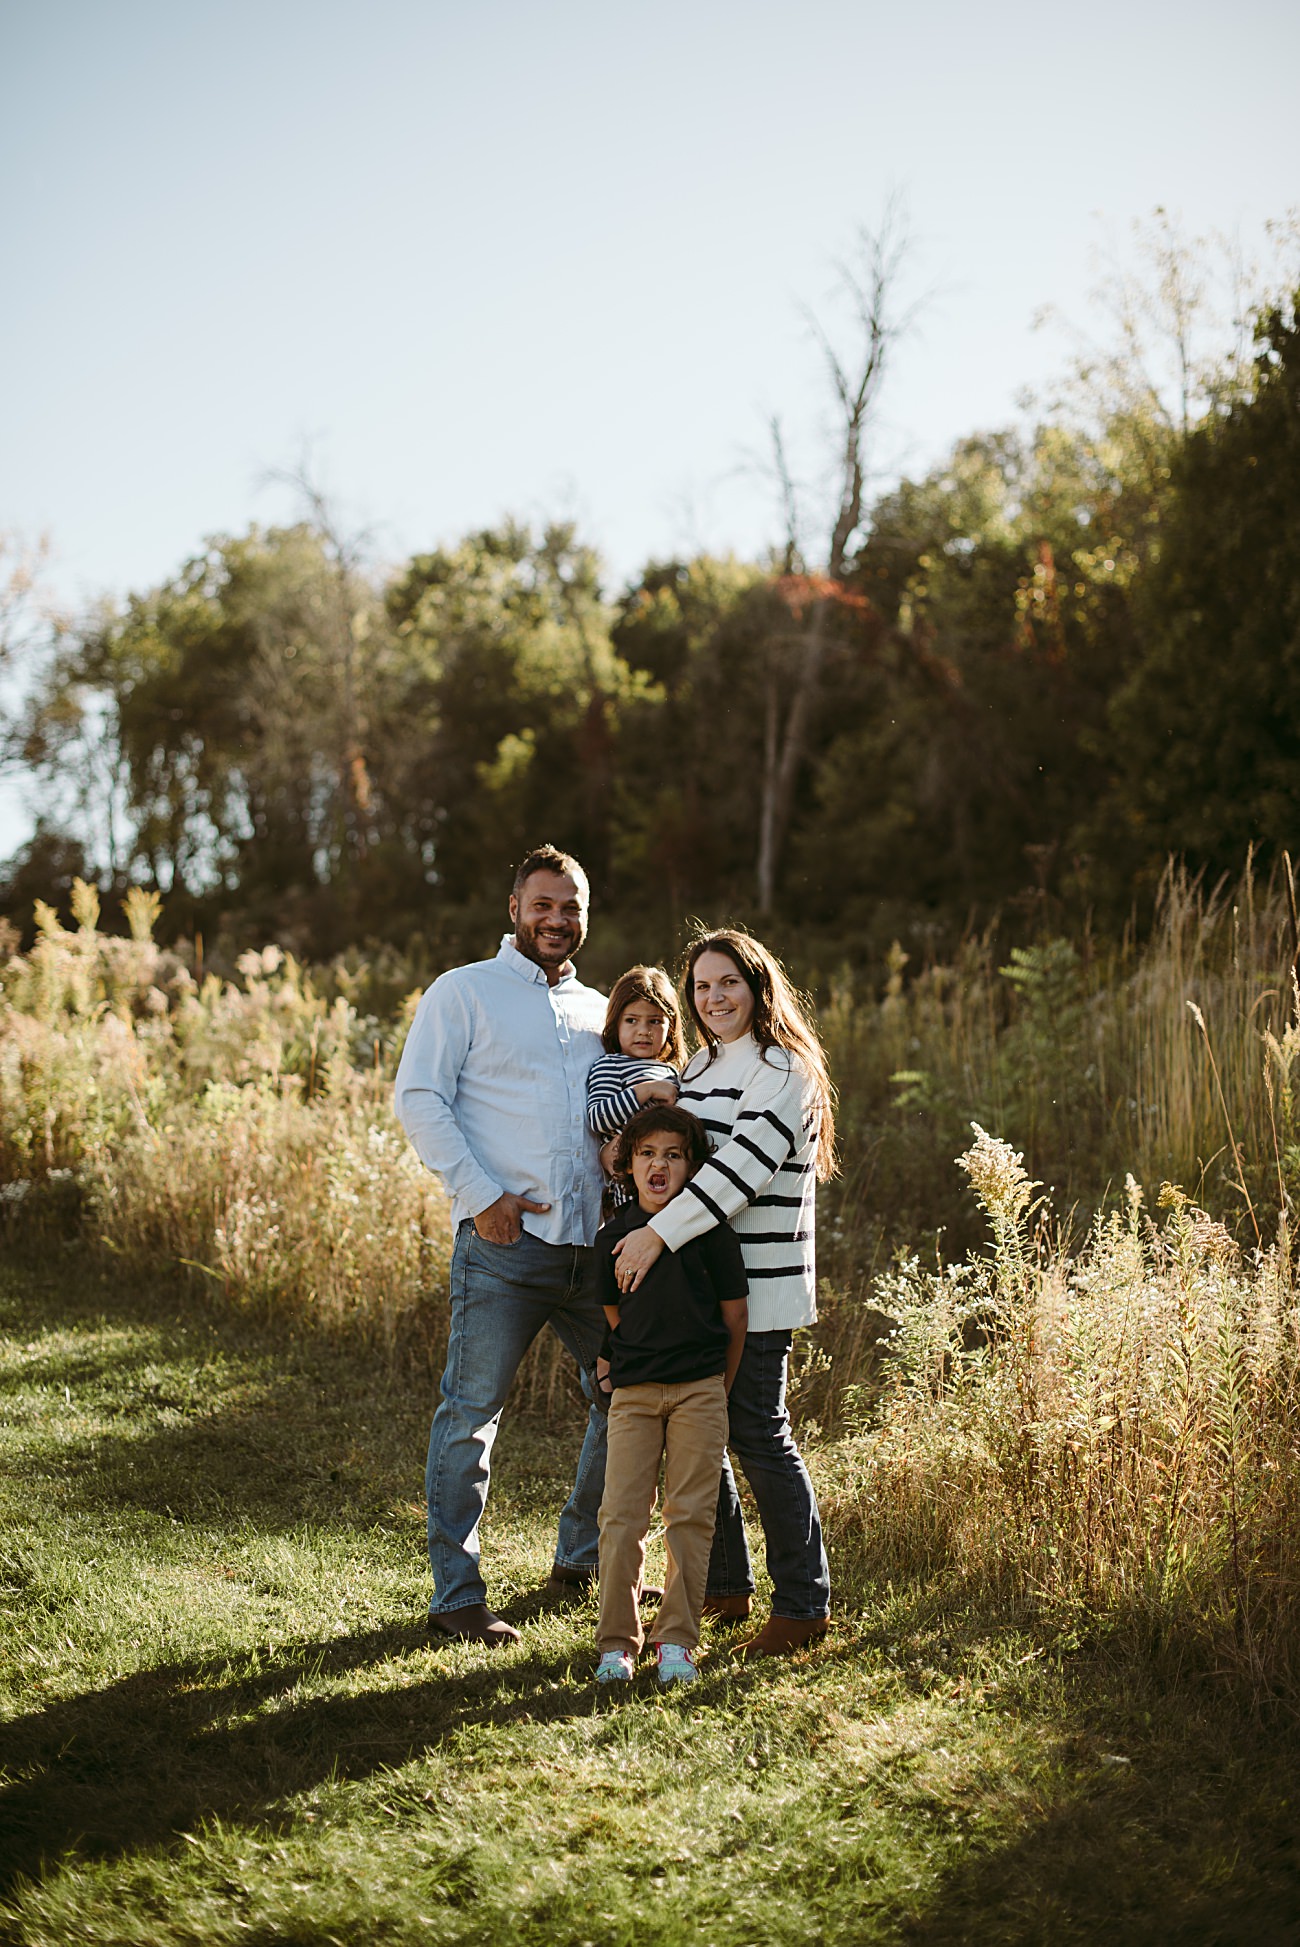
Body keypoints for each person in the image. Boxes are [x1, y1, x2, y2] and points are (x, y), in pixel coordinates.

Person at [394, 844, 610, 1647]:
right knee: (470, 1416)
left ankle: (582, 1559)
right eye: (543, 904)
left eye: (572, 906)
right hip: (505, 1247)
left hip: (595, 1253)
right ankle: (457, 1595)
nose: (557, 919)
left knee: (628, 1401)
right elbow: (419, 1096)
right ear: (514, 908)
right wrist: (482, 1198)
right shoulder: (464, 992)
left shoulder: (599, 1009)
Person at [610, 929, 835, 1658]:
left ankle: (803, 1604)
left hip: (761, 1291)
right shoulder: (700, 1066)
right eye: (702, 986)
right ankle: (726, 1585)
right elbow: (670, 1151)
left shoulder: (785, 1069)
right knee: (703, 1439)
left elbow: (741, 1169)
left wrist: (653, 1236)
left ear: (758, 984)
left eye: (728, 982)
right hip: (698, 1290)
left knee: (758, 1433)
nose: (715, 997)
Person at [593, 1104, 748, 1686]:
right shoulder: (614, 1238)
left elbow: (736, 1319)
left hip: (700, 1392)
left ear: (691, 1166)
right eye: (648, 1154)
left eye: (674, 1155)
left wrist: (716, 1390)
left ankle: (677, 1639)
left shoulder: (711, 1235)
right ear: (628, 1166)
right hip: (634, 1394)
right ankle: (617, 1644)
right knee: (621, 1517)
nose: (660, 1166)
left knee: (689, 1515)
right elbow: (615, 1316)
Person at [586, 964, 684, 1208]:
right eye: (632, 1020)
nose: (643, 1031)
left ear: (670, 1027)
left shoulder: (673, 1071)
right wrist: (647, 1090)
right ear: (615, 1023)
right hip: (631, 1196)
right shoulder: (610, 1065)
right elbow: (598, 1118)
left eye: (654, 1022)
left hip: (674, 1191)